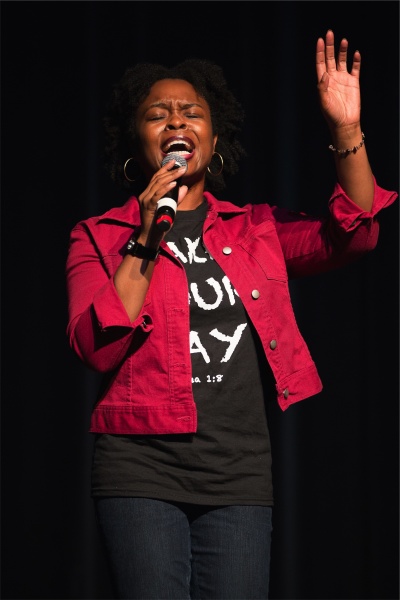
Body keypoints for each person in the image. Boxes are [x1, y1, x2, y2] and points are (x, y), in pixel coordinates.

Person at [65, 30, 397, 600]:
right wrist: (145, 235)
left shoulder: (255, 230)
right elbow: (96, 348)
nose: (176, 122)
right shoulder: (99, 236)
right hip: (141, 468)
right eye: (157, 115)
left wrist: (346, 129)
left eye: (191, 113)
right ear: (135, 140)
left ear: (213, 139)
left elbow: (357, 234)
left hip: (238, 472)